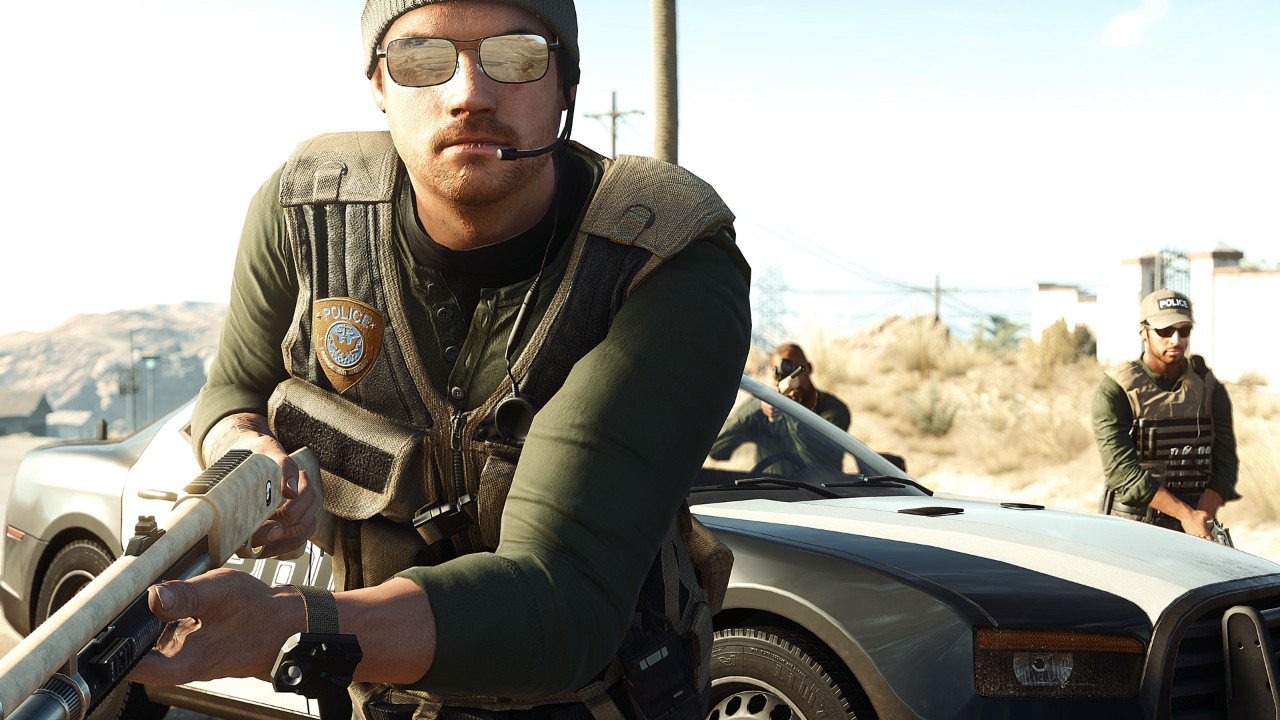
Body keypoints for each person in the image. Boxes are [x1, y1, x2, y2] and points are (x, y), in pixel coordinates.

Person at [130, 1, 751, 718]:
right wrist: (249, 455)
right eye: (422, 59)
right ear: (379, 85)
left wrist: (288, 625)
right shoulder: (303, 211)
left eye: (516, 57)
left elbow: (563, 598)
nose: (469, 94)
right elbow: (234, 389)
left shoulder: (667, 258)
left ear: (567, 86)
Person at [1092, 288, 1239, 539]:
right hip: (1133, 527)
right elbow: (1121, 472)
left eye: (1184, 330)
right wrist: (1185, 515)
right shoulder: (1116, 389)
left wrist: (1200, 517)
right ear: (1143, 332)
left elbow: (1226, 466)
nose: (1176, 340)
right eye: (1164, 331)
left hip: (1196, 523)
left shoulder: (1209, 387)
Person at [709, 343, 850, 473]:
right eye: (781, 373)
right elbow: (716, 449)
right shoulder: (763, 408)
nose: (792, 379)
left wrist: (790, 409)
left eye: (795, 369)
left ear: (809, 368)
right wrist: (759, 403)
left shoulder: (834, 410)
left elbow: (819, 461)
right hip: (771, 491)